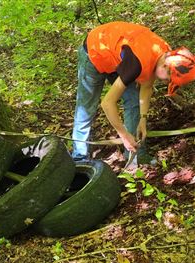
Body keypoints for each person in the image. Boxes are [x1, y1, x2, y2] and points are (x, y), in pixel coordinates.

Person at [72, 21, 195, 163]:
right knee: (86, 107)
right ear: (165, 66)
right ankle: (79, 157)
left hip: (117, 57)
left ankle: (136, 155)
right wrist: (123, 135)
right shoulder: (135, 65)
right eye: (168, 79)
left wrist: (143, 119)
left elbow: (147, 86)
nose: (167, 82)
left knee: (133, 99)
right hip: (94, 52)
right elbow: (107, 103)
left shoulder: (163, 53)